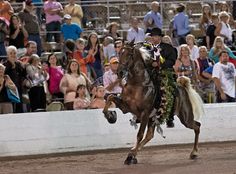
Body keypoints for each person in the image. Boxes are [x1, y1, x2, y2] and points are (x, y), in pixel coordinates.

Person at [149, 27, 177, 128]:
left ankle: (170, 117)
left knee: (170, 92)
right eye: (152, 36)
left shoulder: (168, 48)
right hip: (151, 73)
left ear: (159, 37)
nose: (153, 38)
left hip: (165, 72)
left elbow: (172, 60)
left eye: (155, 36)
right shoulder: (147, 48)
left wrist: (160, 65)